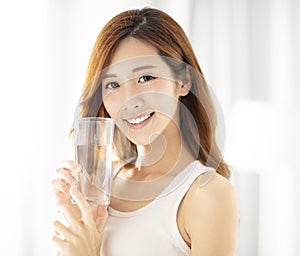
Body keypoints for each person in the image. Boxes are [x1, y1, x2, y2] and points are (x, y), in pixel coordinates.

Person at [52, 7, 239, 256]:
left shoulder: (207, 194)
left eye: (146, 78)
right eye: (113, 84)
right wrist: (76, 219)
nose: (129, 100)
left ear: (184, 81)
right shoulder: (98, 186)